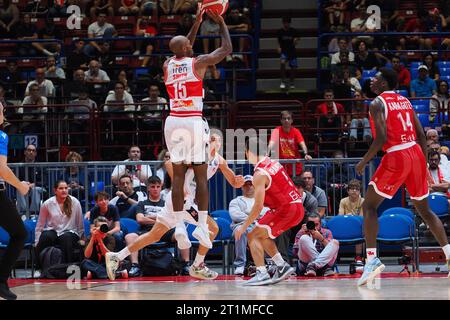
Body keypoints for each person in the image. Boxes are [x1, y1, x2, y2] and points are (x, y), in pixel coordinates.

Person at [355, 68, 450, 286]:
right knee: (424, 210)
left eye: (376, 79)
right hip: (415, 153)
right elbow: (420, 134)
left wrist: (363, 161)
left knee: (369, 206)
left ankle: (371, 260)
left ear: (384, 84)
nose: (372, 81)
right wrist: (424, 162)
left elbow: (381, 139)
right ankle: (449, 254)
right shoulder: (405, 101)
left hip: (397, 154)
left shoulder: (378, 103)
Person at [105, 133, 245, 280]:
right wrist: (182, 185)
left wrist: (237, 181)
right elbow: (169, 163)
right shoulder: (196, 155)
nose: (214, 142)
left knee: (154, 235)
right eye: (212, 139)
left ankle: (117, 256)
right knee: (213, 228)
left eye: (217, 140)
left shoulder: (219, 160)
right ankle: (198, 265)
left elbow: (233, 181)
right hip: (182, 201)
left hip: (177, 201)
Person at [163, 8, 232, 251]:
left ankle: (180, 227)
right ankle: (202, 225)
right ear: (187, 50)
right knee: (201, 176)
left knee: (179, 176)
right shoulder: (198, 62)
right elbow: (226, 50)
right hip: (192, 121)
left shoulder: (167, 64)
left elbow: (183, 46)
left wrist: (197, 22)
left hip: (172, 121)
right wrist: (221, 23)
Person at [234, 137, 305, 286]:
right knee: (262, 234)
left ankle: (262, 273)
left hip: (286, 209)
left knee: (252, 235)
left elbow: (258, 206)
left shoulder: (259, 174)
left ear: (248, 153)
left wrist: (243, 226)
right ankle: (281, 265)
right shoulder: (274, 162)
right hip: (296, 206)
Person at [0, 101, 31, 300]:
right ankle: (1, 280)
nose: (3, 114)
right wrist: (21, 186)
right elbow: (1, 168)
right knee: (19, 234)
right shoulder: (1, 136)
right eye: (1, 111)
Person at [35, 180, 85, 266]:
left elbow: (80, 223)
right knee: (45, 237)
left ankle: (68, 267)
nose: (64, 190)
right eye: (61, 188)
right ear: (55, 191)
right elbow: (40, 225)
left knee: (66, 238)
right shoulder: (47, 204)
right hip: (53, 231)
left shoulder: (75, 202)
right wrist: (37, 241)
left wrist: (82, 238)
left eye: (66, 188)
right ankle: (39, 267)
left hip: (70, 232)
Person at [229, 175, 269, 275]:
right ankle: (240, 265)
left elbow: (267, 213)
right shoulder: (235, 201)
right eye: (246, 185)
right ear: (242, 187)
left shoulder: (263, 200)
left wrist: (250, 217)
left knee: (269, 230)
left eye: (251, 184)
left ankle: (268, 263)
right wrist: (254, 217)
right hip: (241, 226)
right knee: (240, 231)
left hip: (259, 226)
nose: (248, 187)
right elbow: (235, 216)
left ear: (255, 186)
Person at [293, 212, 339, 277]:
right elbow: (295, 254)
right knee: (304, 238)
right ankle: (323, 267)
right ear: (306, 224)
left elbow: (331, 250)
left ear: (320, 224)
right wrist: (304, 234)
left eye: (316, 224)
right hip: (307, 263)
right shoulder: (302, 232)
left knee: (335, 242)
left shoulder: (327, 232)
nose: (314, 227)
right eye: (311, 224)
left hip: (320, 263)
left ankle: (314, 265)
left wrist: (321, 238)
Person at [268, 110, 312, 177]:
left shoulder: (296, 131)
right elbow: (271, 143)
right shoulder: (276, 130)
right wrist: (267, 154)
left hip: (295, 167)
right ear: (281, 120)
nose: (286, 120)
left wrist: (306, 154)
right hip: (281, 167)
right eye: (284, 118)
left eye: (288, 118)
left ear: (292, 120)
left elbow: (302, 144)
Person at [277, 17, 299, 90]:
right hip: (284, 51)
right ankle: (283, 81)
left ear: (289, 23)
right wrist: (279, 47)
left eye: (287, 23)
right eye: (284, 22)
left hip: (292, 51)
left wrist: (296, 40)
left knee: (293, 67)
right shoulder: (280, 31)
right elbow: (278, 41)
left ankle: (292, 82)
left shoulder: (294, 31)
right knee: (282, 63)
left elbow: (298, 39)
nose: (286, 24)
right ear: (283, 23)